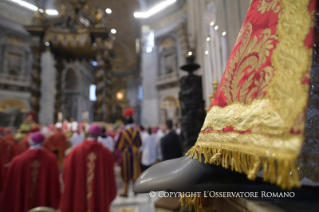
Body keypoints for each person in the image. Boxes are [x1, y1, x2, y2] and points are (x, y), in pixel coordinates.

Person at [59, 124, 116, 212]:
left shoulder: (75, 151)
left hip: (79, 194)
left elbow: (66, 172)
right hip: (99, 195)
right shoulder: (106, 153)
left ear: (88, 133)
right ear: (99, 135)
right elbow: (110, 177)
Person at [0, 132, 60, 212]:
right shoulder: (52, 159)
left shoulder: (17, 161)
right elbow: (53, 186)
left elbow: (11, 187)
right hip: (44, 202)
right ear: (44, 142)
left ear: (29, 142)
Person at [115, 107, 142, 197]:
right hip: (135, 152)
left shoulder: (123, 132)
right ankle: (136, 189)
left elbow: (119, 145)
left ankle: (125, 191)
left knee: (126, 171)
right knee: (135, 170)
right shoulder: (136, 131)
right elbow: (139, 143)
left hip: (126, 153)